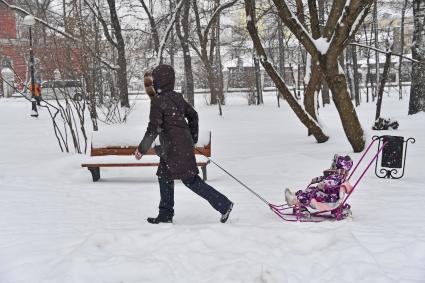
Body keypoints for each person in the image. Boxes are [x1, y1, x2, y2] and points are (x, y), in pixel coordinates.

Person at [135, 64, 233, 224]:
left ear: (159, 81)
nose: (152, 82)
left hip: (175, 149)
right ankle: (165, 214)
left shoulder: (158, 101)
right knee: (164, 176)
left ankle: (224, 204)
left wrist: (141, 149)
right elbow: (193, 115)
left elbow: (154, 128)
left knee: (190, 180)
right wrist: (191, 138)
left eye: (154, 79)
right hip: (176, 147)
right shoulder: (177, 97)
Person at [285, 154, 353, 211]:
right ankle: (294, 195)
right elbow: (325, 178)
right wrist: (317, 179)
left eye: (334, 164)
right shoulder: (336, 175)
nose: (332, 165)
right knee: (310, 190)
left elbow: (331, 182)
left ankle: (294, 200)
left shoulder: (338, 177)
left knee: (310, 194)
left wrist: (323, 184)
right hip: (325, 194)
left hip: (328, 198)